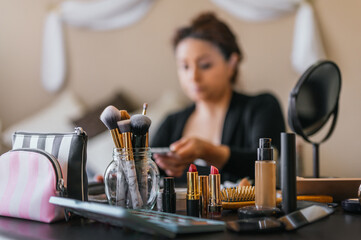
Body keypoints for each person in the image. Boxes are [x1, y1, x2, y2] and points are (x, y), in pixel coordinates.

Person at [151, 12, 285, 184]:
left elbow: (267, 165)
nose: (193, 76)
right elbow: (147, 173)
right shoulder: (171, 123)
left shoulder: (262, 107)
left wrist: (206, 151)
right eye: (184, 66)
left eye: (205, 65)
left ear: (232, 64)